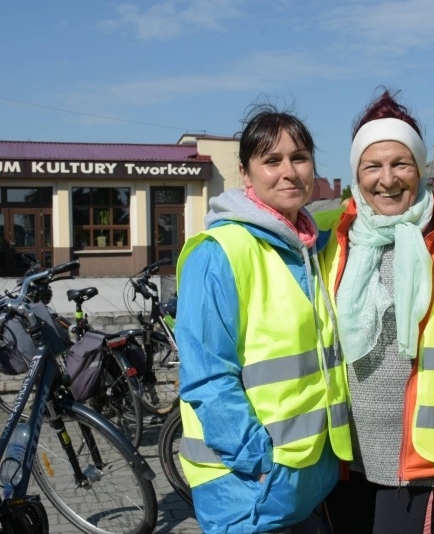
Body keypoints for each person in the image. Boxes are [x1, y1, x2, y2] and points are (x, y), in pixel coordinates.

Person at [174, 103, 352, 533]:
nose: (288, 171)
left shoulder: (308, 244)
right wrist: (259, 464)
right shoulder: (219, 252)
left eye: (299, 157)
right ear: (246, 174)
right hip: (246, 489)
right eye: (271, 160)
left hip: (308, 484)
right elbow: (208, 378)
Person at [314, 89, 434, 533]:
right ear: (356, 172)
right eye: (373, 165)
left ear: (421, 169)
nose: (386, 179)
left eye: (400, 164)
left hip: (420, 455)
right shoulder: (327, 237)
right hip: (342, 451)